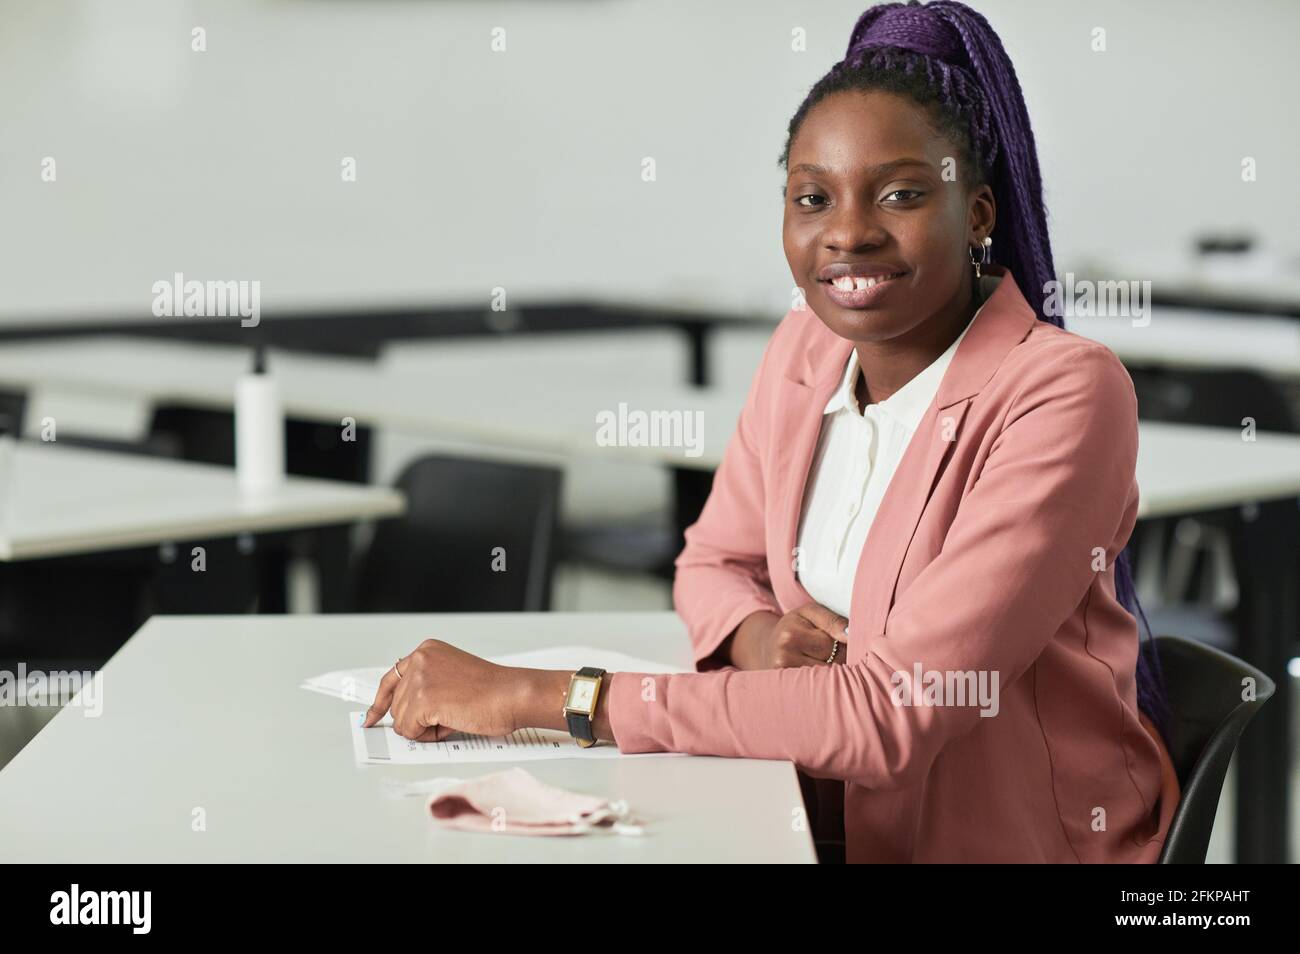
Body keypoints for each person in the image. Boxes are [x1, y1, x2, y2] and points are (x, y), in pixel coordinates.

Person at [365, 0, 1181, 863]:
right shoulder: (807, 347)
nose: (849, 234)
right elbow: (712, 562)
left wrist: (540, 699)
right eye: (812, 197)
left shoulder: (1063, 394)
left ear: (978, 213)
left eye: (901, 194)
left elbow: (890, 715)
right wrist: (761, 637)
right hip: (798, 811)